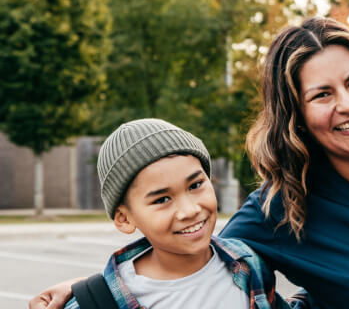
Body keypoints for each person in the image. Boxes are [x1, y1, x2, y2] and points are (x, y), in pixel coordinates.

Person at [32, 18, 349, 309]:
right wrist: (89, 291)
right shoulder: (284, 205)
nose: (348, 104)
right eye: (321, 94)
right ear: (294, 114)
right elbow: (191, 250)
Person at [44, 118, 305, 309]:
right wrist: (88, 294)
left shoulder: (248, 265)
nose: (189, 210)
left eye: (195, 185)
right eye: (162, 199)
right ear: (124, 218)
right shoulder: (99, 303)